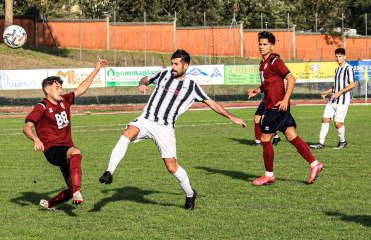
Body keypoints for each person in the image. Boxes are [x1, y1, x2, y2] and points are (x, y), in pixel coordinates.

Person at [99, 49, 247, 210]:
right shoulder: (163, 74)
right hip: (146, 120)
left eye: (176, 64)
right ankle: (109, 172)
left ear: (186, 66)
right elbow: (145, 79)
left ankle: (190, 194)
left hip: (165, 128)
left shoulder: (191, 86)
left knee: (172, 167)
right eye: (172, 63)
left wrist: (232, 117)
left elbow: (212, 103)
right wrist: (141, 84)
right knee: (127, 133)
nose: (173, 67)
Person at [23, 59, 108, 210]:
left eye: (61, 87)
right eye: (56, 87)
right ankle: (77, 192)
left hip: (65, 149)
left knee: (69, 189)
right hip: (52, 150)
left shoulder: (64, 100)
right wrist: (36, 139)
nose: (60, 89)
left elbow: (81, 89)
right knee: (76, 152)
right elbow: (27, 127)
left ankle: (49, 204)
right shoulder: (42, 107)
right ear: (47, 90)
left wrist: (96, 69)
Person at [247, 31, 323, 186]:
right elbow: (268, 84)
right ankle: (315, 164)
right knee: (291, 136)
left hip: (276, 107)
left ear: (272, 46)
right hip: (275, 106)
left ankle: (269, 174)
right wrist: (257, 90)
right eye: (260, 44)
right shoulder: (263, 64)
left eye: (265, 44)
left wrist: (285, 99)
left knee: (265, 139)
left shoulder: (275, 61)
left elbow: (291, 78)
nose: (262, 47)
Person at [309, 48, 355, 149]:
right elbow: (337, 86)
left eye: (340, 56)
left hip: (343, 100)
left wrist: (339, 93)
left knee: (337, 123)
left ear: (344, 57)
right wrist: (327, 91)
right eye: (337, 56)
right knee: (325, 119)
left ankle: (342, 142)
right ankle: (320, 144)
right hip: (333, 99)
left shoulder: (349, 68)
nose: (338, 58)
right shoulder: (337, 69)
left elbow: (352, 84)